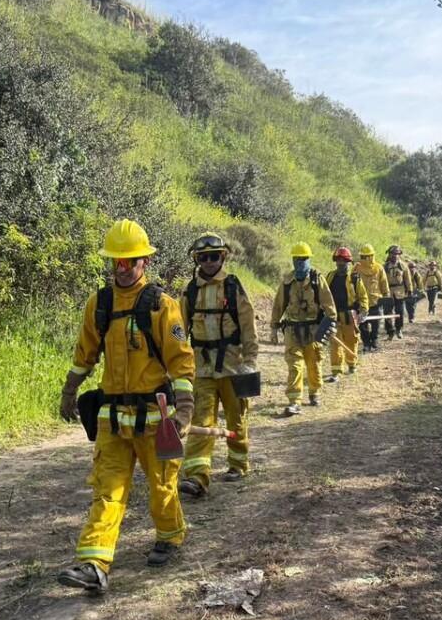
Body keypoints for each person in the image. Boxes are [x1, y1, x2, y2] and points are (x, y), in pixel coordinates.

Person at [57, 219, 195, 593]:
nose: (122, 268)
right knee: (107, 490)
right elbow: (84, 354)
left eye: (129, 261)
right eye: (116, 262)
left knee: (162, 486)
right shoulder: (99, 304)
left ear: (143, 262)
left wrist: (184, 408)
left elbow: (181, 363)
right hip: (112, 420)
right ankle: (94, 564)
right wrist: (70, 390)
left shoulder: (162, 306)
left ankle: (170, 535)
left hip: (154, 419)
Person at [178, 233, 258, 499]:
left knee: (237, 416)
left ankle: (238, 463)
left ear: (222, 257)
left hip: (233, 367)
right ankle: (197, 476)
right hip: (202, 368)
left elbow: (248, 325)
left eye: (214, 256)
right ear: (197, 260)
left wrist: (250, 361)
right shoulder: (190, 291)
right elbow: (178, 330)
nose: (209, 262)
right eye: (203, 257)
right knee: (201, 420)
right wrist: (175, 361)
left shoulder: (233, 287)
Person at [270, 242, 336, 416]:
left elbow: (329, 304)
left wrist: (330, 324)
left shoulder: (317, 279)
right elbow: (278, 306)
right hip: (292, 330)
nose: (300, 262)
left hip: (313, 330)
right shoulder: (287, 282)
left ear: (309, 259)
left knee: (314, 364)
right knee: (295, 366)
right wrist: (274, 328)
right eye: (297, 259)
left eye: (304, 259)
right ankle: (294, 401)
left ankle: (315, 393)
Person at [326, 247, 369, 379]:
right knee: (335, 343)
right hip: (334, 316)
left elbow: (363, 297)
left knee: (351, 341)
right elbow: (324, 294)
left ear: (348, 262)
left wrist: (363, 311)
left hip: (350, 316)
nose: (340, 263)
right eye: (338, 260)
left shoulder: (354, 278)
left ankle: (351, 364)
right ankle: (336, 371)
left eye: (343, 261)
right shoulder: (330, 276)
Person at [353, 244, 390, 352]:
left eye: (368, 256)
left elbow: (384, 283)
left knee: (376, 325)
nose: (366, 259)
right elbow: (350, 283)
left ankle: (374, 341)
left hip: (376, 302)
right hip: (361, 303)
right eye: (364, 256)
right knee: (362, 326)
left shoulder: (379, 268)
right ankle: (366, 343)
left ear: (372, 256)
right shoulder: (356, 268)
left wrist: (386, 296)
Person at [384, 245, 413, 340]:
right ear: (389, 254)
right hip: (388, 292)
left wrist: (410, 290)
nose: (395, 256)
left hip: (399, 291)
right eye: (393, 253)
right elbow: (381, 280)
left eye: (397, 254)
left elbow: (407, 279)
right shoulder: (385, 266)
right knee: (387, 312)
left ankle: (399, 329)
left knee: (399, 311)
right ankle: (390, 331)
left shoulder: (403, 265)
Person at [405, 260, 424, 324]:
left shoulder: (416, 274)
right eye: (410, 267)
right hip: (407, 291)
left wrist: (420, 291)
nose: (412, 269)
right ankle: (410, 316)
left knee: (413, 305)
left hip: (414, 291)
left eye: (413, 267)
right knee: (407, 305)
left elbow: (420, 283)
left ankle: (411, 317)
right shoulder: (405, 274)